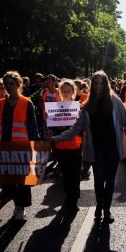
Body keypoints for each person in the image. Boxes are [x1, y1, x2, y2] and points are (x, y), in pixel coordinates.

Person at [52, 71, 126, 223]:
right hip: (96, 149)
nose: (99, 86)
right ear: (93, 85)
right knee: (99, 180)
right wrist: (56, 139)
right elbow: (76, 128)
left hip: (113, 149)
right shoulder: (87, 105)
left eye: (101, 83)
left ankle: (107, 209)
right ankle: (99, 204)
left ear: (105, 84)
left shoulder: (115, 101)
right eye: (96, 83)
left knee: (110, 180)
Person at [0, 71, 41, 220]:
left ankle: (20, 208)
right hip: (4, 148)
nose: (8, 87)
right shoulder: (0, 103)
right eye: (6, 84)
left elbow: (33, 128)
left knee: (21, 181)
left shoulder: (27, 103)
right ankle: (17, 205)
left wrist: (36, 148)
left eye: (11, 84)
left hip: (21, 148)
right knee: (9, 182)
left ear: (18, 84)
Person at [51, 79, 84, 210]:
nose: (65, 92)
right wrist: (48, 119)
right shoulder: (55, 107)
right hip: (60, 147)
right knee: (65, 175)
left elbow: (82, 127)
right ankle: (68, 197)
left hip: (75, 146)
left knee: (74, 175)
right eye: (63, 90)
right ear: (59, 92)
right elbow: (52, 129)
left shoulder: (79, 107)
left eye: (68, 90)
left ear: (73, 92)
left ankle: (74, 200)